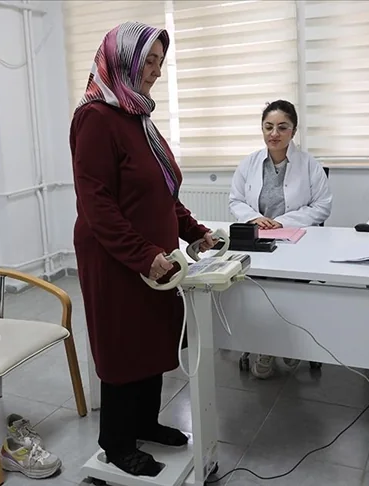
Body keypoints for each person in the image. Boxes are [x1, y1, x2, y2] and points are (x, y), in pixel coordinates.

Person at [70, 21, 217, 478]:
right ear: (122, 61)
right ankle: (116, 442)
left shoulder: (137, 117)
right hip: (115, 258)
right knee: (123, 346)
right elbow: (96, 203)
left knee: (153, 339)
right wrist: (141, 255)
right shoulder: (96, 118)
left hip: (153, 257)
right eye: (147, 61)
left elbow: (163, 194)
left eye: (159, 62)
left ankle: (144, 423)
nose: (155, 71)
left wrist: (195, 232)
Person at [229, 100, 333, 379]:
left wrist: (283, 222)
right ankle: (265, 347)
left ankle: (291, 343)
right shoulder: (249, 163)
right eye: (268, 127)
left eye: (282, 127)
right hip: (259, 241)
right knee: (259, 291)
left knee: (289, 290)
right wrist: (254, 218)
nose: (274, 133)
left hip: (297, 242)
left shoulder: (309, 165)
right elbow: (236, 200)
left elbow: (322, 206)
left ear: (293, 131)